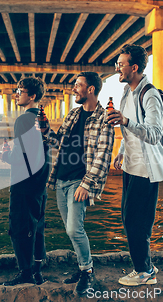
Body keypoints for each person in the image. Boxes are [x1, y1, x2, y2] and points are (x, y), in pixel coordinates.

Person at [42, 72, 114, 296]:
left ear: (90, 89)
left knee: (75, 228)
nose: (74, 88)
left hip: (79, 182)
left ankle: (87, 271)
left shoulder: (105, 118)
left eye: (78, 85)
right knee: (70, 229)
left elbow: (103, 156)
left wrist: (87, 184)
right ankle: (83, 267)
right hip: (61, 179)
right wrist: (45, 131)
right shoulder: (73, 114)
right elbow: (59, 142)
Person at [107, 44, 163, 286]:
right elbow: (128, 130)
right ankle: (144, 267)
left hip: (147, 169)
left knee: (137, 221)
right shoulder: (126, 93)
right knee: (128, 218)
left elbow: (154, 134)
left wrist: (125, 120)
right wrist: (122, 151)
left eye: (121, 64)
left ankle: (145, 271)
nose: (117, 68)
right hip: (131, 165)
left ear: (134, 67)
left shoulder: (150, 95)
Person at [1, 77, 50, 286]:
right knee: (37, 225)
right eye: (17, 90)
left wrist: (4, 157)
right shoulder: (42, 119)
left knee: (20, 225)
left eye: (21, 91)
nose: (17, 93)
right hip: (40, 181)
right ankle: (37, 271)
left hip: (24, 181)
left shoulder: (23, 119)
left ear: (32, 96)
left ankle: (25, 273)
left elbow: (24, 155)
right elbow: (43, 150)